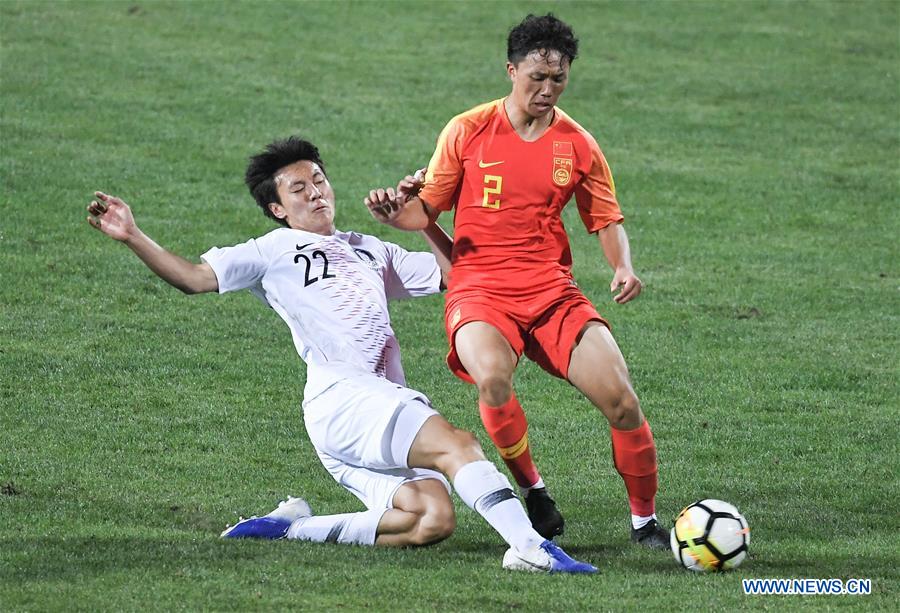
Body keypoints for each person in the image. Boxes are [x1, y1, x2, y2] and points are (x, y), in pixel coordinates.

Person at [85, 136, 596, 573]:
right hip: (342, 396)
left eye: (319, 180)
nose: (315, 192)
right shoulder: (272, 250)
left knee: (431, 520)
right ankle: (530, 548)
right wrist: (133, 235)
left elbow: (457, 274)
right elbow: (194, 279)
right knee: (458, 443)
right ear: (277, 208)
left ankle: (288, 528)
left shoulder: (370, 249)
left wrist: (420, 218)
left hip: (365, 407)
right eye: (298, 189)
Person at [365, 13, 668, 548]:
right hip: (478, 287)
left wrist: (622, 265)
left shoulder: (577, 145)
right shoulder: (467, 130)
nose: (547, 90)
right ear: (511, 70)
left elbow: (606, 218)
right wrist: (397, 213)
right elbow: (426, 210)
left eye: (558, 80)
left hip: (552, 291)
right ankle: (534, 490)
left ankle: (644, 522)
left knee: (622, 402)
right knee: (492, 379)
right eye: (537, 78)